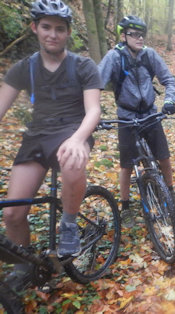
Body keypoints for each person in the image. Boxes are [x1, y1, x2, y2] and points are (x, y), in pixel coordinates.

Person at [0, 0, 102, 286]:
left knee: (71, 159)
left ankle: (69, 224)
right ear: (35, 28)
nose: (52, 34)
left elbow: (94, 109)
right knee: (12, 212)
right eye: (46, 27)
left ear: (68, 32)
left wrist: (79, 138)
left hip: (72, 130)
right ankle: (24, 267)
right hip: (36, 137)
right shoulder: (24, 68)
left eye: (59, 29)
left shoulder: (83, 66)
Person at [98, 15, 175, 228]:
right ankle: (125, 207)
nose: (139, 38)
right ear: (123, 35)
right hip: (127, 117)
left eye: (141, 35)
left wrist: (169, 100)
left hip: (150, 114)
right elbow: (96, 83)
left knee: (163, 157)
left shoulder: (149, 55)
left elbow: (168, 80)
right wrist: (93, 111)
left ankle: (170, 192)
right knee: (127, 165)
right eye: (133, 34)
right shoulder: (113, 57)